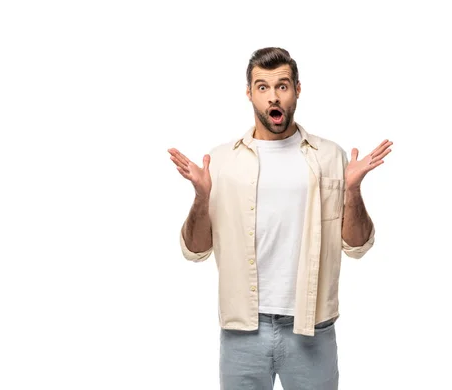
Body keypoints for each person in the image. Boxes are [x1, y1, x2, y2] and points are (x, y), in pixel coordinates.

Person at [167, 47, 392, 390]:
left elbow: (357, 246)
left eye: (282, 86)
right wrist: (201, 196)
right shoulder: (221, 161)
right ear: (249, 93)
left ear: (297, 90)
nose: (273, 96)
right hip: (242, 330)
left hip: (312, 329)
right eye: (262, 87)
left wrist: (352, 190)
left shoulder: (330, 156)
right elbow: (195, 251)